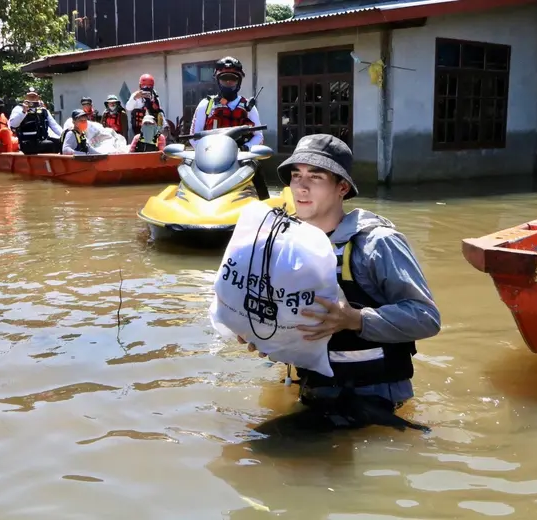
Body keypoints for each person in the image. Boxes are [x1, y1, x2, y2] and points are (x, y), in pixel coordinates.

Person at [239, 134, 441, 430]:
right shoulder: (287, 243)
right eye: (296, 176)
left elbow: (426, 318)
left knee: (263, 448)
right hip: (314, 390)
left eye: (316, 177)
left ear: (342, 188)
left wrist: (355, 319)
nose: (302, 187)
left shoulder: (377, 243)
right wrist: (264, 335)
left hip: (372, 399)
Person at [189, 56, 269, 200]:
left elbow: (259, 136)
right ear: (217, 80)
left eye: (232, 79)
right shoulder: (206, 104)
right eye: (224, 79)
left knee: (257, 169)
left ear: (239, 81)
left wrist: (245, 149)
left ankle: (266, 204)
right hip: (209, 159)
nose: (228, 82)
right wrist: (206, 153)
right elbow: (193, 136)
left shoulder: (248, 107)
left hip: (240, 158)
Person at [8, 87, 63, 155]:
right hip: (27, 142)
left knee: (60, 143)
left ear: (38, 97)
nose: (32, 98)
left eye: (34, 96)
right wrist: (24, 111)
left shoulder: (43, 110)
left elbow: (54, 125)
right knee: (50, 145)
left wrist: (64, 136)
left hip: (42, 140)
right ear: (25, 97)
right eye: (30, 96)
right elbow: (13, 124)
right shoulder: (19, 109)